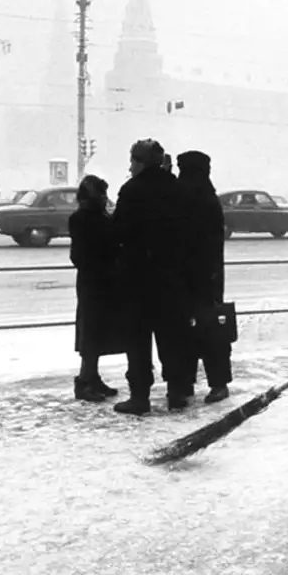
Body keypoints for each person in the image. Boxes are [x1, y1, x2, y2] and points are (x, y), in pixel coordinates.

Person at [112, 138, 190, 415]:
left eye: (132, 161)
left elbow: (119, 231)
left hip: (138, 278)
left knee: (138, 339)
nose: (130, 166)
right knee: (172, 336)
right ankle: (177, 392)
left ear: (140, 162)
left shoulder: (132, 191)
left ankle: (140, 397)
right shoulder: (177, 189)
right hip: (171, 276)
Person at [177, 150, 232, 404]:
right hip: (209, 278)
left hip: (186, 278)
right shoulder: (209, 199)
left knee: (186, 332)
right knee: (212, 333)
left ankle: (186, 382)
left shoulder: (183, 198)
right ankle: (218, 383)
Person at [69, 174, 126, 402]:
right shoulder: (86, 219)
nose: (105, 198)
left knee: (96, 332)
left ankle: (91, 377)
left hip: (96, 282)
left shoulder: (91, 217)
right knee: (92, 332)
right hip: (96, 283)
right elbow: (82, 255)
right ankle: (85, 380)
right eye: (101, 193)